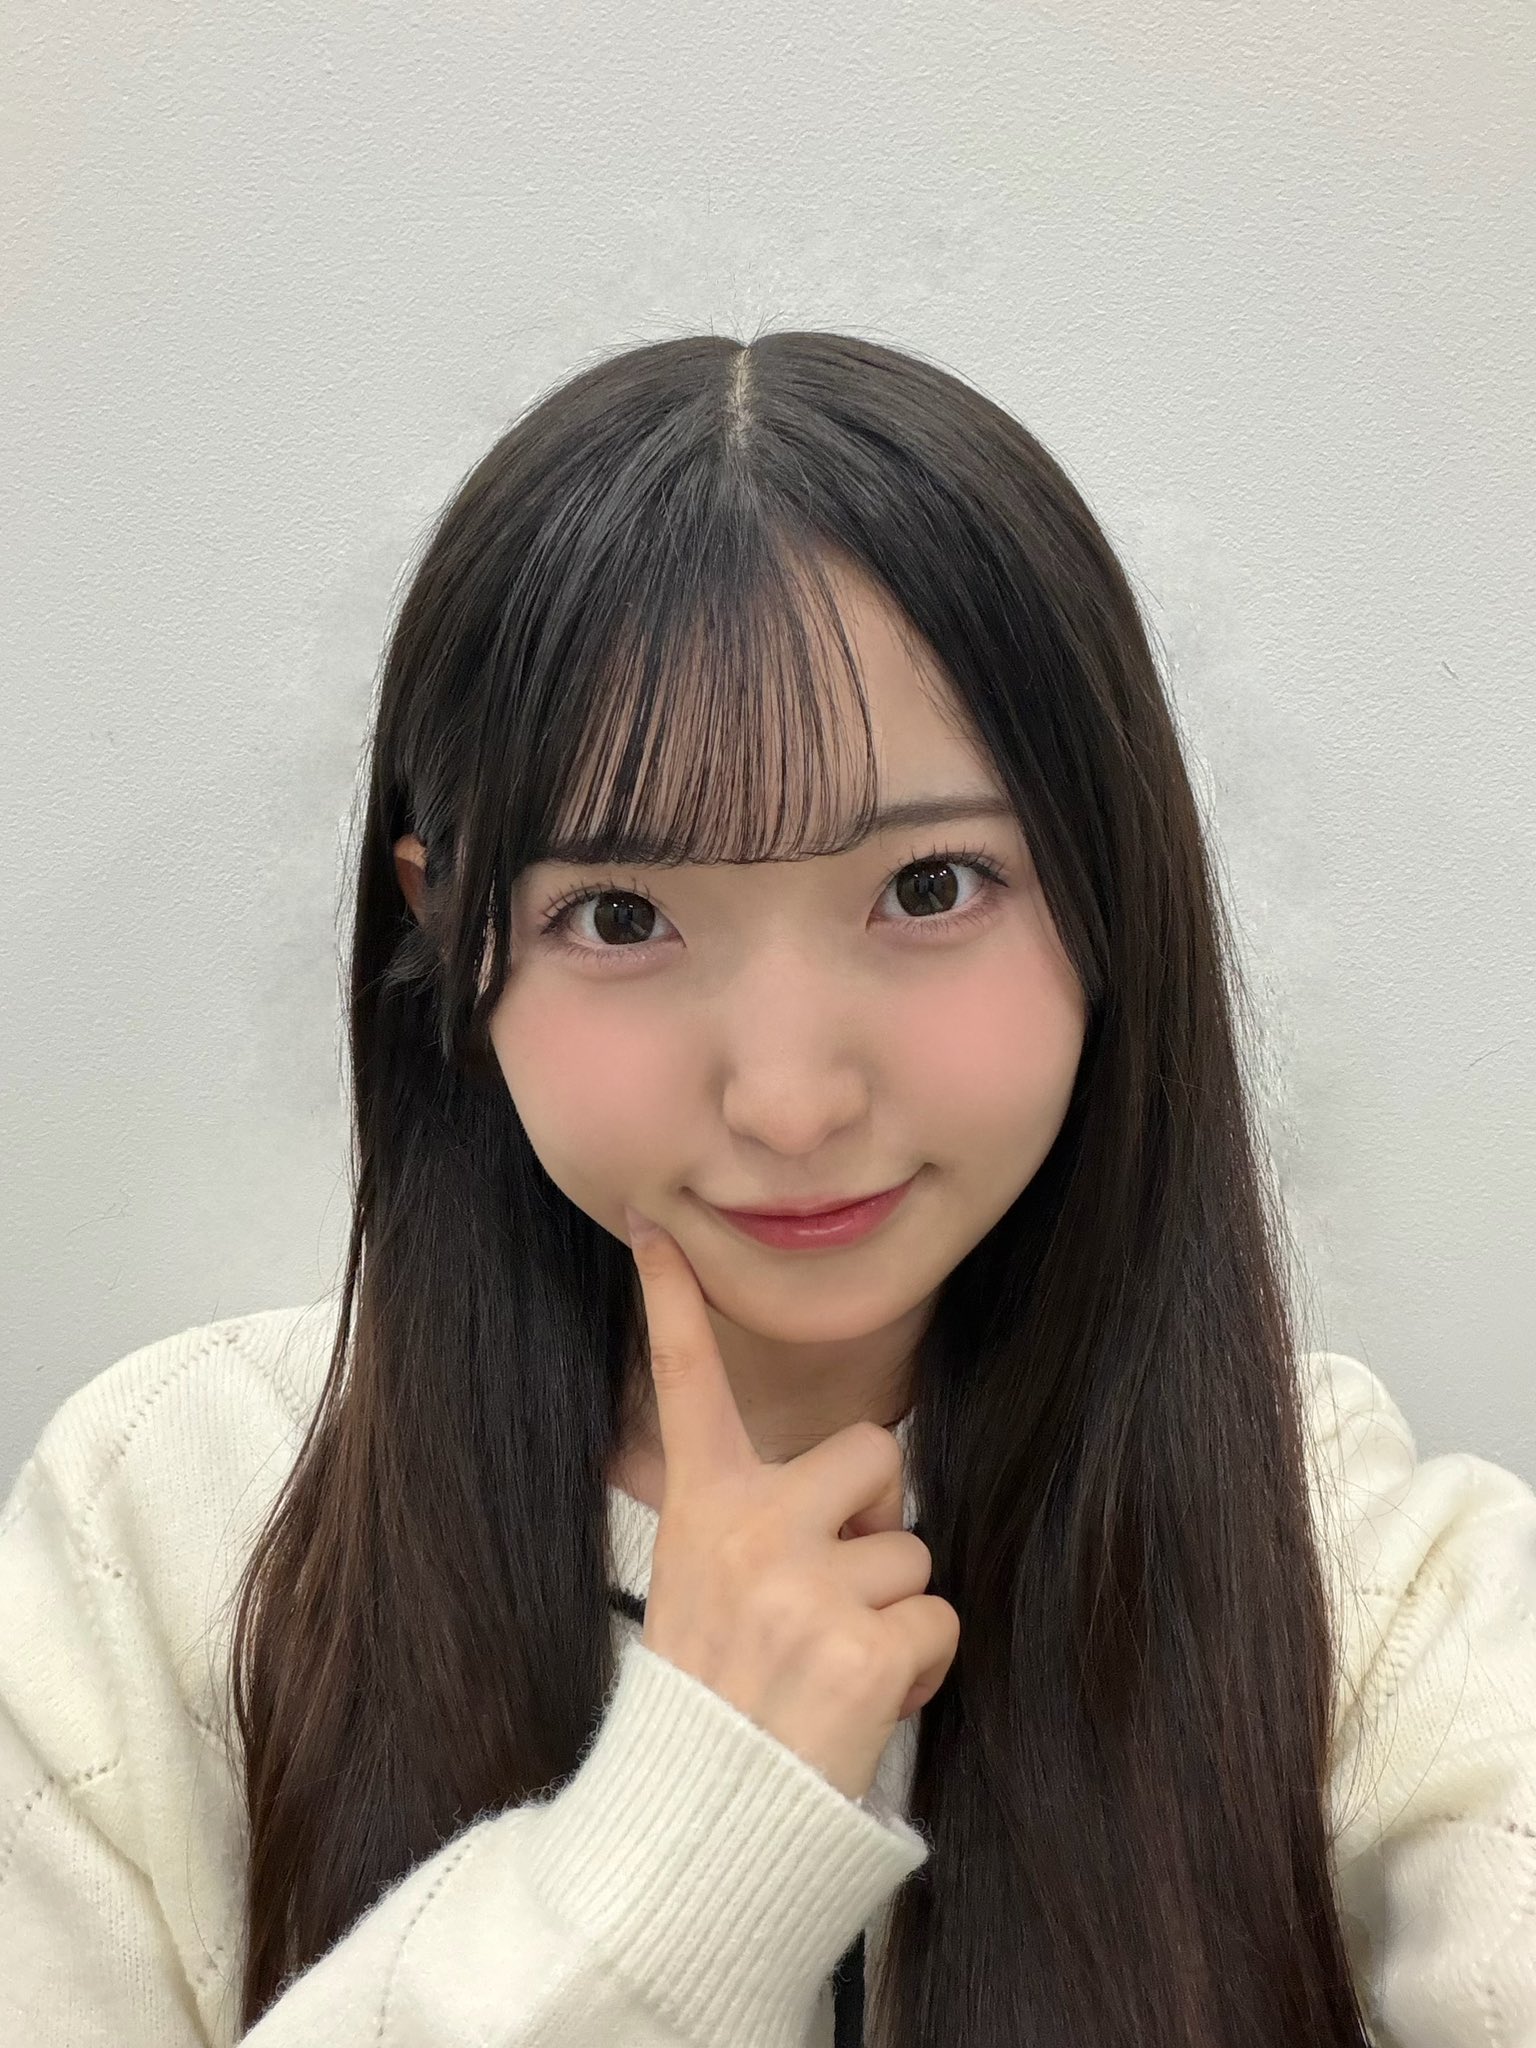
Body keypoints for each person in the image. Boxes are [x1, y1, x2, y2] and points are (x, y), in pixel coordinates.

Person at [2, 330, 1532, 2047]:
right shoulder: (176, 1523)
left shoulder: (1350, 1563)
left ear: (1112, 889)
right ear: (453, 933)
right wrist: (682, 1841)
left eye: (931, 886)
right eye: (623, 918)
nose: (792, 1100)